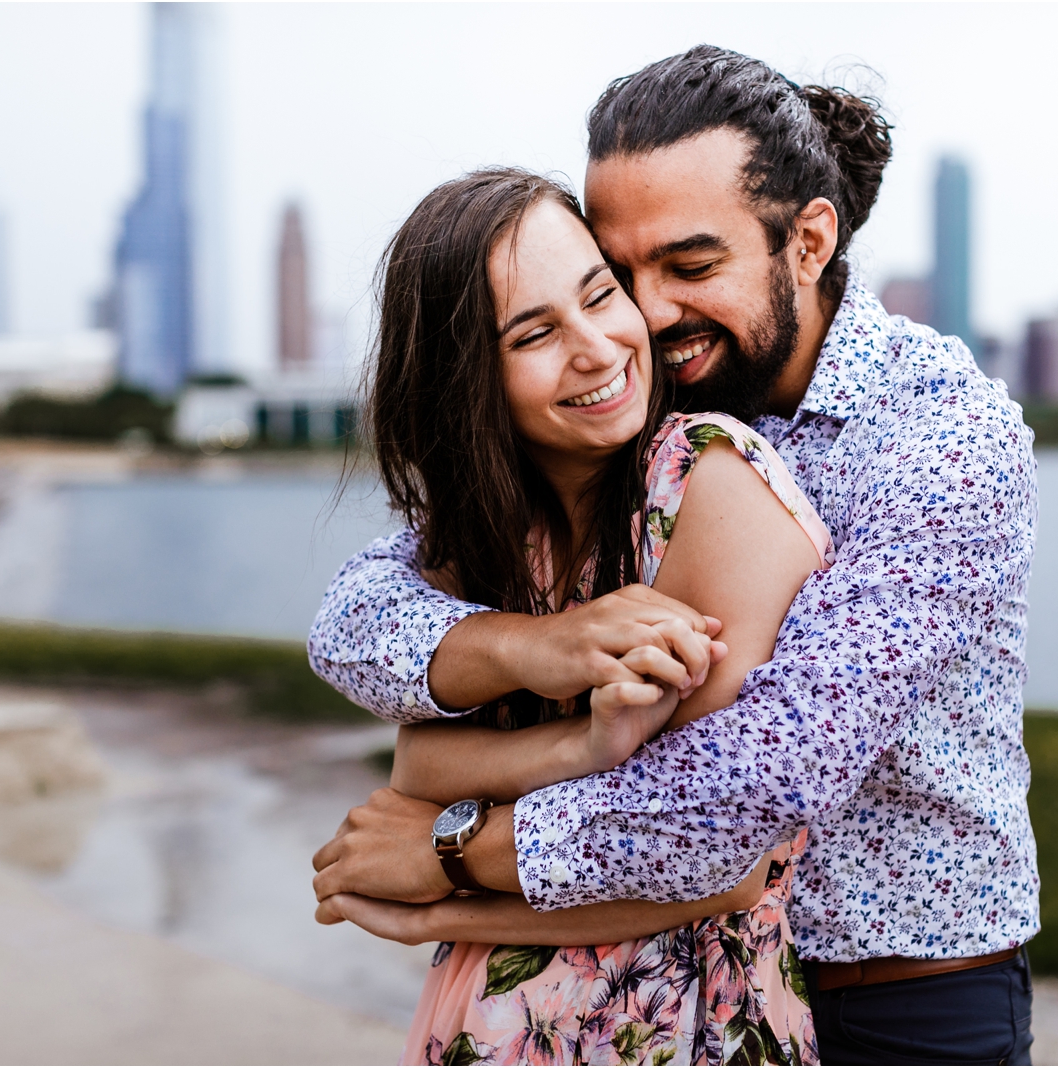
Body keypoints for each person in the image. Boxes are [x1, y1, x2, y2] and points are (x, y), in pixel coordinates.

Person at [313, 46, 1040, 1065]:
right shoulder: (646, 406)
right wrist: (541, 648)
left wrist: (453, 853)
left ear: (809, 240)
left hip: (901, 994)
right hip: (665, 973)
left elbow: (760, 777)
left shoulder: (940, 441)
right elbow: (358, 614)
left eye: (690, 267)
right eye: (622, 272)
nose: (645, 316)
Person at [321, 166, 836, 1064]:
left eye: (600, 295)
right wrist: (580, 741)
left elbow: (721, 861)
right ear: (468, 383)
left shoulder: (708, 483)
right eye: (534, 334)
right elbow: (420, 758)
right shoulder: (490, 532)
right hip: (486, 1021)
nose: (597, 347)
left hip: (680, 1026)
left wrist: (444, 895)